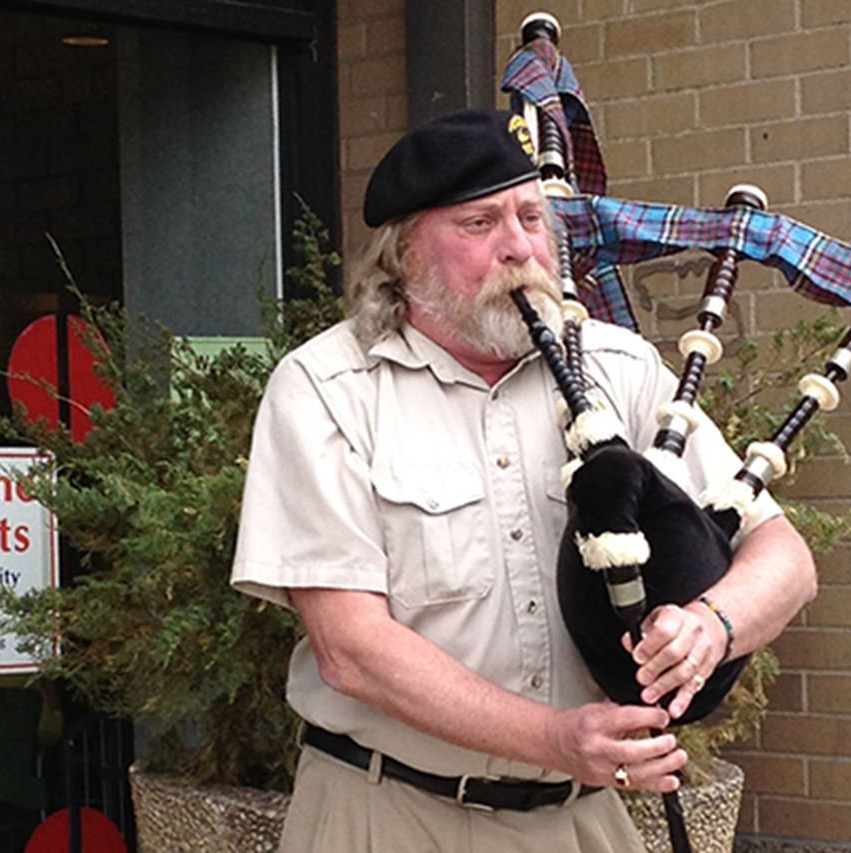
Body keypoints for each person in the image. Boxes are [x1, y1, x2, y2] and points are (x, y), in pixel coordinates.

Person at [230, 109, 817, 852]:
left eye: (532, 217)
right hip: (387, 813)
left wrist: (712, 623)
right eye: (480, 224)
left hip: (579, 819)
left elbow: (783, 554)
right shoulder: (327, 388)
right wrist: (554, 737)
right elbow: (350, 647)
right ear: (403, 254)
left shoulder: (618, 369)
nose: (520, 247)